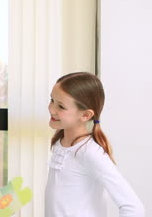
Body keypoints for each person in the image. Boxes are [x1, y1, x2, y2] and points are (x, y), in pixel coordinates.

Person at [45, 72, 144, 216]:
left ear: (86, 115)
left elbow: (133, 206)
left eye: (61, 106)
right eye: (52, 100)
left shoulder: (90, 152)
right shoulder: (61, 143)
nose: (51, 109)